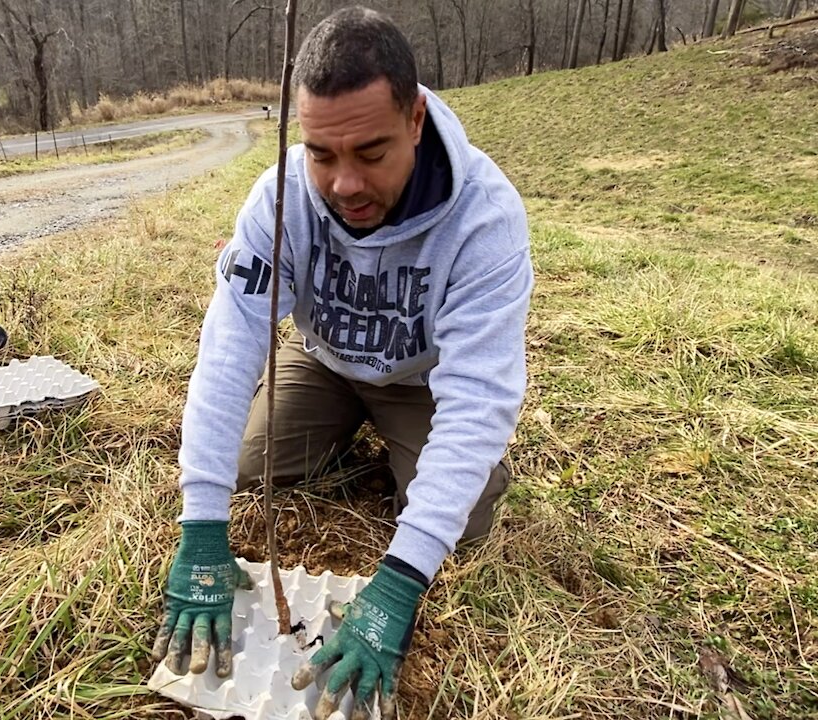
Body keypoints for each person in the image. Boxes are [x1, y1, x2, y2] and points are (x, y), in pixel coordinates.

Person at [151, 6, 533, 718]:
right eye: (322, 155)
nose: (345, 184)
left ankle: (429, 458)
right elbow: (229, 347)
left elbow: (479, 396)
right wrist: (202, 525)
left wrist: (399, 584)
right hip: (323, 359)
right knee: (246, 464)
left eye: (370, 152)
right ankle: (350, 433)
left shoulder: (486, 219)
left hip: (421, 381)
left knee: (468, 517)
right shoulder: (280, 195)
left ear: (415, 118)